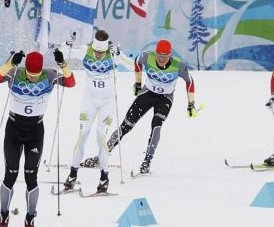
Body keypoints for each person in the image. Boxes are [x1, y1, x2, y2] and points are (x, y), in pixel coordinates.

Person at [0, 49, 75, 227]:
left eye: (36, 75)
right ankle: (4, 214)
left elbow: (71, 83)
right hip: (13, 129)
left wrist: (63, 64)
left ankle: (30, 217)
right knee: (10, 175)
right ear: (25, 70)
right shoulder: (14, 73)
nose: (33, 78)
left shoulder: (50, 75)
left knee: (31, 177)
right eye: (30, 75)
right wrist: (11, 63)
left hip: (35, 132)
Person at [82, 39, 197, 174]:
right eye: (159, 55)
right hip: (147, 94)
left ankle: (146, 162)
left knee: (157, 124)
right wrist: (138, 83)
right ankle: (100, 157)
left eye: (165, 56)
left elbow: (190, 82)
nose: (161, 59)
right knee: (126, 125)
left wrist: (191, 104)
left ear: (170, 55)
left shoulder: (179, 66)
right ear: (156, 52)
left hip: (165, 98)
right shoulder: (147, 57)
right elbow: (137, 62)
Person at [59, 30, 126, 194]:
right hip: (89, 101)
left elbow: (130, 64)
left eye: (101, 52)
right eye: (96, 51)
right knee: (83, 134)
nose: (97, 55)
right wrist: (68, 42)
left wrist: (118, 53)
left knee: (101, 136)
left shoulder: (111, 54)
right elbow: (62, 53)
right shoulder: (85, 50)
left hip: (107, 103)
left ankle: (104, 179)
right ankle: (72, 175)